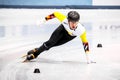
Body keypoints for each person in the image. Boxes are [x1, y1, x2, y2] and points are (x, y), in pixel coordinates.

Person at [23, 11, 95, 64]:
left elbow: (85, 43)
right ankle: (35, 54)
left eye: (76, 22)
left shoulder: (81, 30)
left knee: (52, 45)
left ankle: (37, 49)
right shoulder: (64, 20)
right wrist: (43, 20)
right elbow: (55, 14)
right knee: (50, 43)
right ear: (68, 21)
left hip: (70, 36)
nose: (74, 24)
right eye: (72, 22)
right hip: (62, 29)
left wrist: (88, 57)